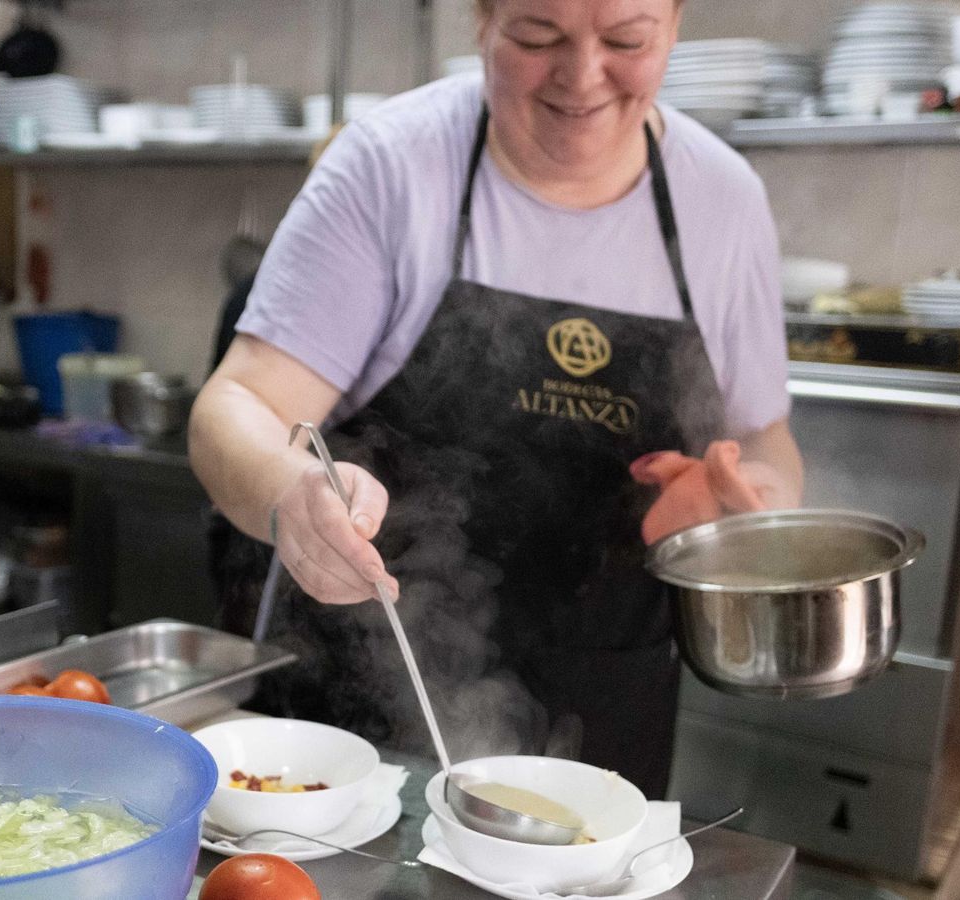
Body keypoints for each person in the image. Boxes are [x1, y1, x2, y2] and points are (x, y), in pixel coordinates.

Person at [190, 0, 804, 797]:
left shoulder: (721, 200)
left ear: (676, 25)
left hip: (608, 701)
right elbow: (234, 406)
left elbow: (765, 438)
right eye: (537, 34)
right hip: (361, 711)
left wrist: (751, 505)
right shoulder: (391, 165)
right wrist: (288, 494)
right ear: (481, 21)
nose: (582, 77)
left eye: (626, 39)